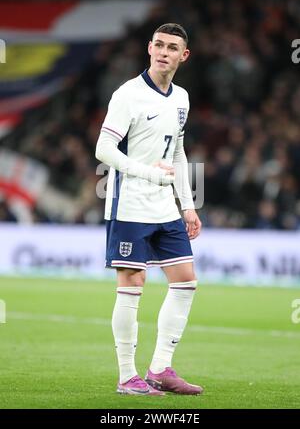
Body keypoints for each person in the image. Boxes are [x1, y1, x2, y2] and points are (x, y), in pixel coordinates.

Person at [95, 23, 203, 396]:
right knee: (132, 286)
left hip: (164, 207)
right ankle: (127, 376)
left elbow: (177, 153)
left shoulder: (182, 98)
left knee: (186, 281)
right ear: (149, 48)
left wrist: (187, 205)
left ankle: (159, 369)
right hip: (129, 205)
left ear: (183, 56)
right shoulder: (128, 94)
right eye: (158, 45)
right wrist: (147, 174)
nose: (163, 52)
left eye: (172, 47)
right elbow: (104, 151)